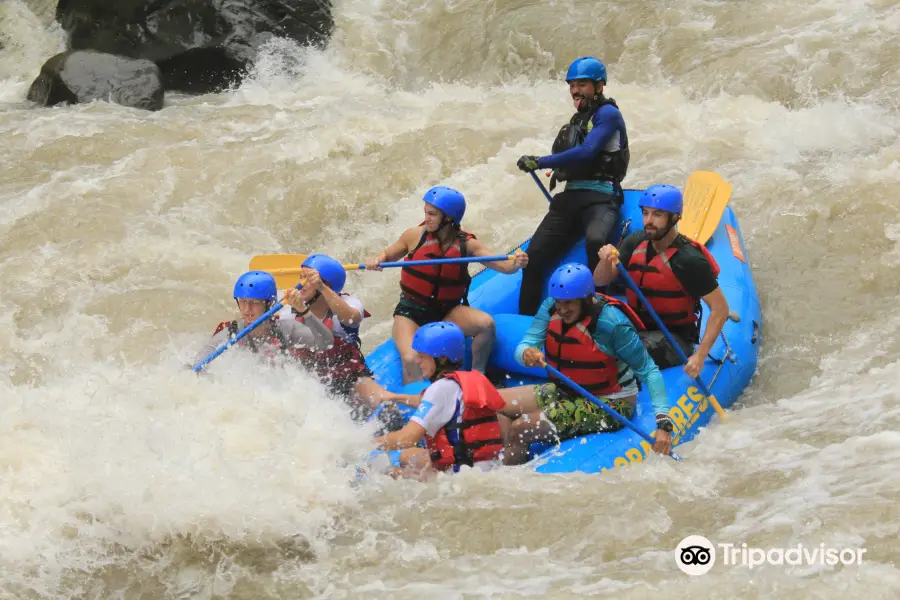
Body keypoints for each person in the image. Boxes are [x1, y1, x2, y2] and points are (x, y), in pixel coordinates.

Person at [498, 263, 675, 465]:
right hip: (568, 388)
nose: (562, 310)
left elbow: (649, 371)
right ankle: (509, 458)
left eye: (569, 303)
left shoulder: (612, 324)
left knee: (521, 427)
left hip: (611, 401)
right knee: (495, 403)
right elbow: (525, 344)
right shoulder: (550, 307)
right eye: (559, 302)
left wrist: (663, 425)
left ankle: (513, 465)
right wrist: (526, 353)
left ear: (586, 299)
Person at [365, 185, 528, 384]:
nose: (427, 218)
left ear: (449, 218)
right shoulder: (414, 235)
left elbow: (504, 266)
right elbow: (389, 254)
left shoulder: (466, 244)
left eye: (432, 214)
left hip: (447, 311)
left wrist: (517, 262)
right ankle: (414, 401)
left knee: (486, 325)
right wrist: (377, 259)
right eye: (426, 212)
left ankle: (478, 376)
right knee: (410, 358)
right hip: (411, 312)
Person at [516, 56, 629, 316]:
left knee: (596, 241)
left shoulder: (609, 115)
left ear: (599, 86)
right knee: (533, 258)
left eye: (582, 85)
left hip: (601, 198)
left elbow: (588, 152)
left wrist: (540, 161)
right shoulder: (577, 120)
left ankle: (600, 316)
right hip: (570, 199)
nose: (575, 91)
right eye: (572, 86)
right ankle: (526, 321)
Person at [593, 184, 729, 377]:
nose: (649, 221)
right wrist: (604, 261)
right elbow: (600, 280)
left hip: (674, 338)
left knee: (618, 356)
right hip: (637, 327)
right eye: (646, 213)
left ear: (674, 218)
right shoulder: (636, 241)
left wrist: (699, 356)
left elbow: (720, 308)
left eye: (657, 215)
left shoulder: (688, 259)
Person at [282, 254, 418, 420]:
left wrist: (322, 288)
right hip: (310, 381)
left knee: (387, 411)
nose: (300, 284)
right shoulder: (289, 313)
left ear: (327, 285)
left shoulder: (348, 303)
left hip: (350, 377)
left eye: (308, 279)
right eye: (301, 277)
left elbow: (351, 318)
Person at [369, 321, 508, 479]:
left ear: (441, 359)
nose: (417, 361)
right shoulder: (462, 382)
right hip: (483, 467)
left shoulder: (439, 389)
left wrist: (366, 443)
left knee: (389, 472)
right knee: (407, 456)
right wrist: (393, 397)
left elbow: (406, 438)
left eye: (422, 357)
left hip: (460, 476)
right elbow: (428, 403)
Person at [194, 270, 333, 366]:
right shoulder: (232, 333)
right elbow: (201, 358)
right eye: (243, 302)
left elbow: (326, 344)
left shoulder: (286, 329)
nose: (247, 309)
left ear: (269, 304)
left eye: (255, 302)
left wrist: (304, 311)